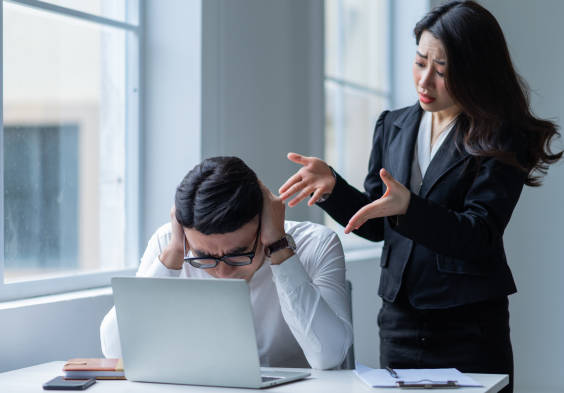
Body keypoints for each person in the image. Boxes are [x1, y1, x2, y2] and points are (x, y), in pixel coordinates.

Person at [279, 1, 561, 391]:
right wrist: (335, 189)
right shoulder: (392, 125)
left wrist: (410, 207)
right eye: (420, 61)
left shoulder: (502, 137)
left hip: (470, 325)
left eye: (442, 70)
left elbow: (480, 234)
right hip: (399, 321)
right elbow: (379, 227)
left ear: (475, 72)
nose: (424, 80)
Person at [100, 156, 353, 370]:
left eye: (238, 253)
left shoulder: (316, 244)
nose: (222, 270)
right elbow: (115, 349)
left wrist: (278, 247)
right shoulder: (172, 244)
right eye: (205, 257)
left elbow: (328, 356)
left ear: (265, 220)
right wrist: (174, 253)